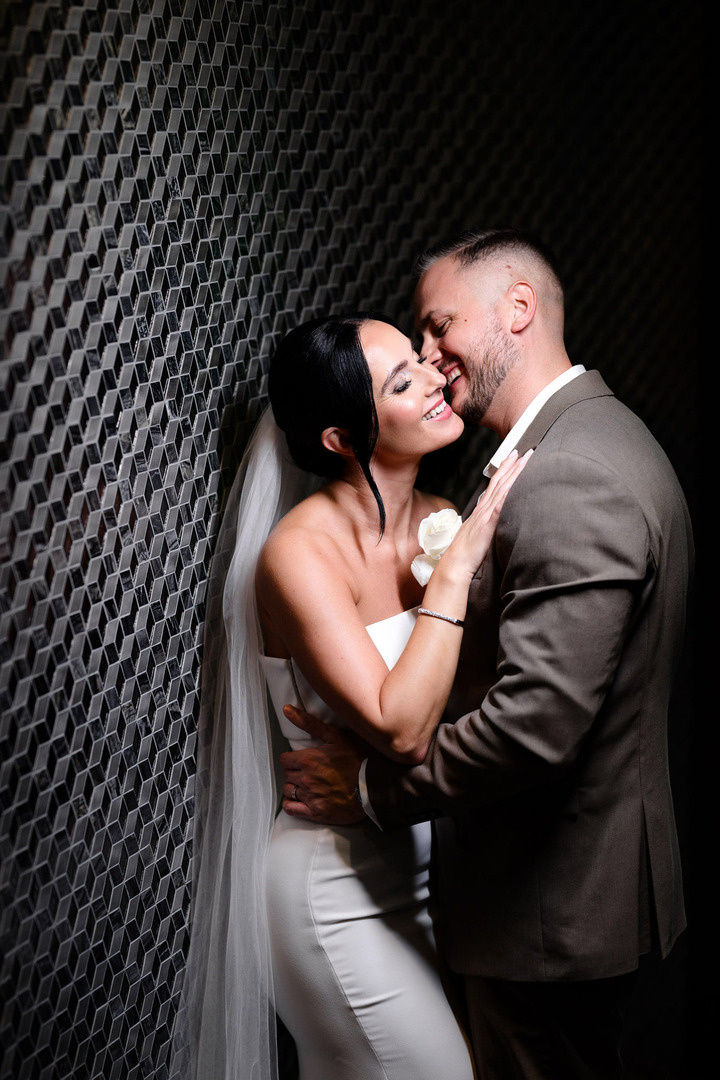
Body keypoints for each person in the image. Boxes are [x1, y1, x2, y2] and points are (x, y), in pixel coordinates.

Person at [279, 229, 695, 1080]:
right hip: (511, 901)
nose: (433, 359)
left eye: (437, 328)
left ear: (518, 309)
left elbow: (534, 726)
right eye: (413, 351)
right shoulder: (584, 444)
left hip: (552, 914)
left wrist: (365, 790)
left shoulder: (574, 474)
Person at [176, 311, 530, 1080]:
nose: (436, 378)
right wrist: (458, 572)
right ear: (341, 439)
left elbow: (483, 703)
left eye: (417, 361)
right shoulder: (300, 555)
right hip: (333, 891)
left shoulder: (442, 520)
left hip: (435, 875)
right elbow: (403, 729)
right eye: (402, 382)